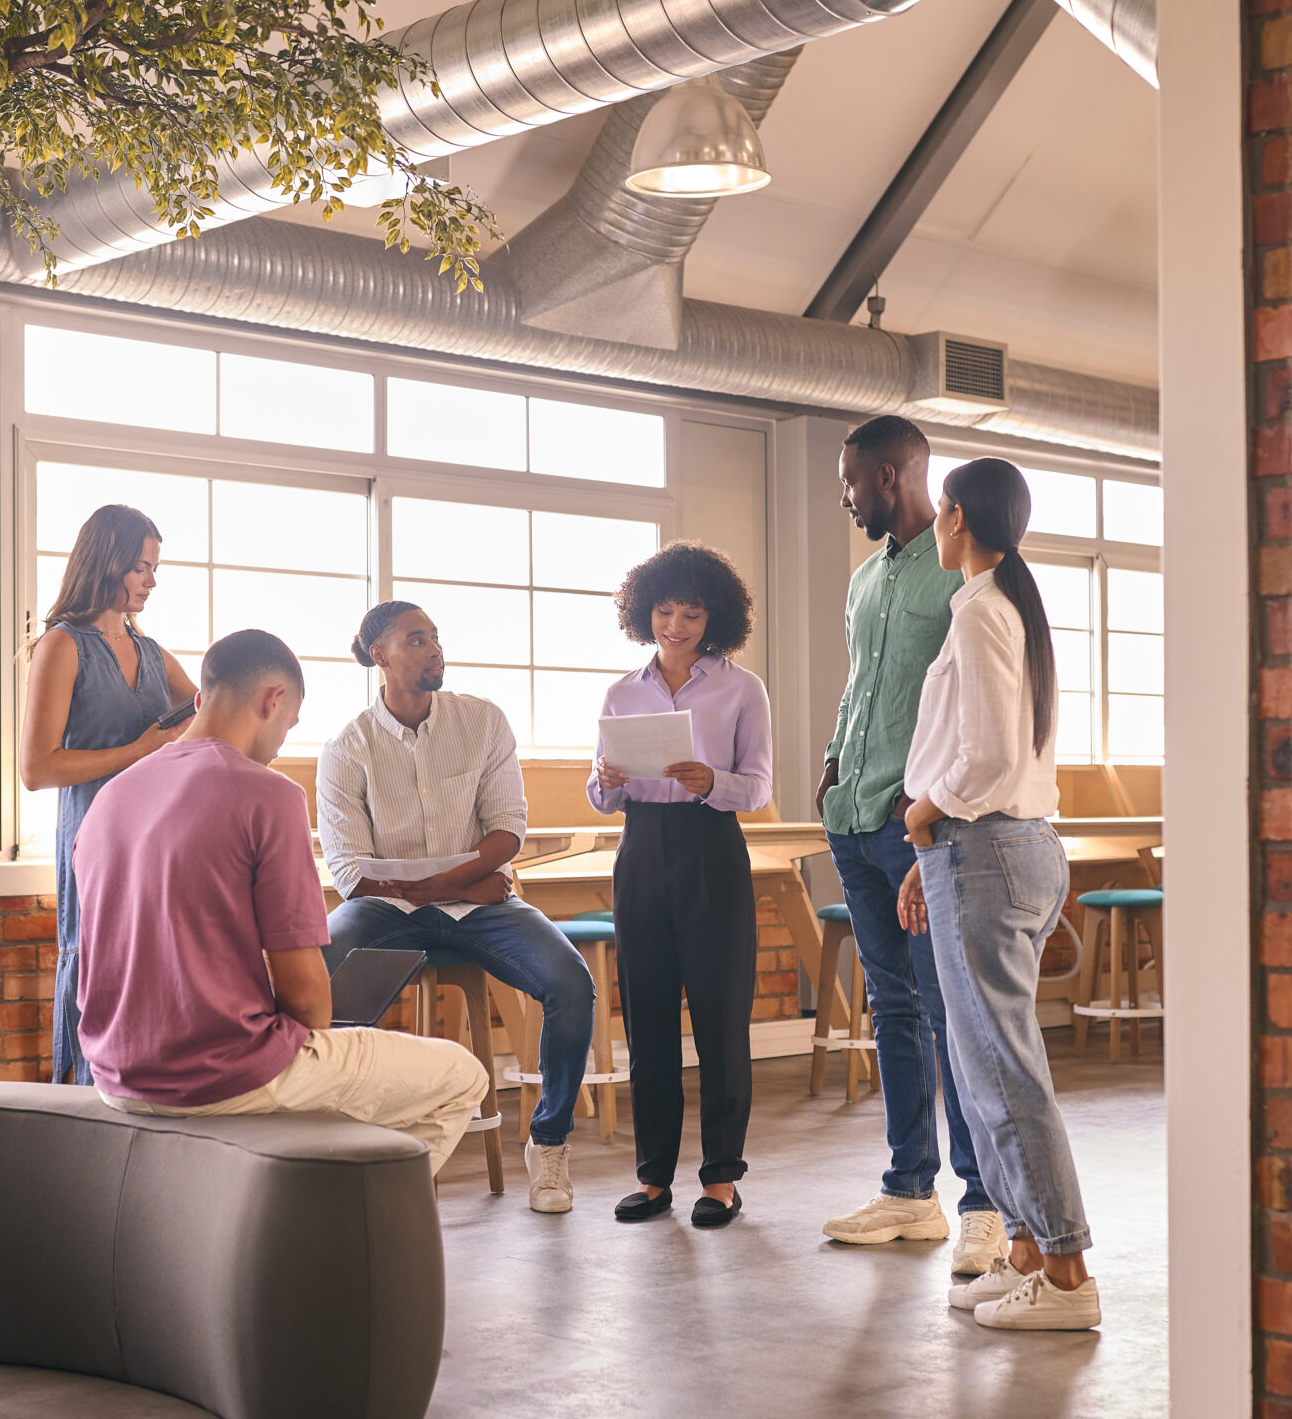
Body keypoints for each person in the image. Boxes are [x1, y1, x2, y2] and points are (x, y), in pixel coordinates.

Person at [76, 629, 489, 1167]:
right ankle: (354, 1240)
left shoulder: (112, 796)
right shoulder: (268, 794)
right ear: (273, 701)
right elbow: (307, 996)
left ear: (201, 700)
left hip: (116, 1075)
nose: (280, 745)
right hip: (225, 1076)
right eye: (288, 726)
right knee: (462, 1075)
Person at [899, 457, 1097, 1331]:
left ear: (954, 516)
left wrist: (923, 812)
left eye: (939, 513)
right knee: (984, 1071)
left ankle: (1065, 1273)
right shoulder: (1003, 604)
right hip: (995, 848)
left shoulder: (983, 608)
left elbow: (984, 756)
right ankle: (1024, 1248)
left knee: (1005, 1075)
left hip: (985, 848)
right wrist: (926, 851)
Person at [317, 601, 597, 1213]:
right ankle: (329, 1145)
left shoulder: (483, 721)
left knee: (572, 983)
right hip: (393, 909)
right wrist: (465, 884)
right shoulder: (346, 749)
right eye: (416, 640)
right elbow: (349, 872)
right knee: (318, 973)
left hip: (481, 905)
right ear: (378, 656)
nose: (434, 649)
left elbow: (507, 831)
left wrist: (461, 888)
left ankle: (548, 1146)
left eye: (436, 637)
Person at [815, 416, 1009, 1277]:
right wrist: (830, 767)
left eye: (853, 479)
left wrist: (921, 800)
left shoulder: (958, 572)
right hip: (853, 821)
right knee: (891, 1008)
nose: (846, 494)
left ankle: (983, 1205)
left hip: (918, 826)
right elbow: (864, 685)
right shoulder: (864, 579)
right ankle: (908, 1191)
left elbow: (972, 702)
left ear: (892, 475)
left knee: (947, 1014)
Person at [588, 543, 772, 1228]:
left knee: (722, 1017)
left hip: (711, 848)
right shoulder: (621, 691)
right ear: (645, 612)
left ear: (714, 616)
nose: (675, 625)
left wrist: (710, 782)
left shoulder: (741, 689)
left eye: (691, 613)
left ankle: (722, 1177)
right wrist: (604, 783)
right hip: (640, 852)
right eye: (664, 611)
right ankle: (654, 1176)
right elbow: (601, 793)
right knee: (648, 1017)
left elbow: (758, 786)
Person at [20, 505, 197, 1086]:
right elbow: (37, 769)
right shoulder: (62, 646)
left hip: (156, 842)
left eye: (154, 567)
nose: (152, 579)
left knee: (151, 969)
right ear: (109, 563)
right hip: (92, 840)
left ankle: (144, 1106)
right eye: (142, 567)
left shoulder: (153, 653)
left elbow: (209, 716)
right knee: (92, 964)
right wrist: (139, 752)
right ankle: (82, 1117)